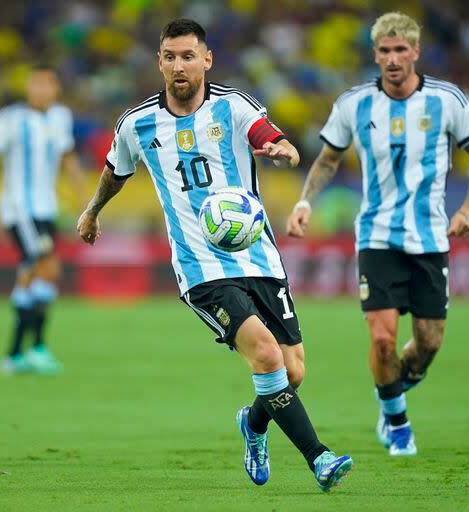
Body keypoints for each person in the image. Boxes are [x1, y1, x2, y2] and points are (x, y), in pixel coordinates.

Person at [77, 18, 352, 491]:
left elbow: (266, 133)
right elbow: (114, 171)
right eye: (170, 57)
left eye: (188, 56)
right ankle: (319, 458)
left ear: (206, 60)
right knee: (266, 356)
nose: (179, 66)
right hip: (199, 267)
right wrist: (92, 211)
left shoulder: (233, 106)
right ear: (159, 63)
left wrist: (280, 148)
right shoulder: (137, 124)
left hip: (258, 254)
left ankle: (255, 425)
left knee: (293, 370)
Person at [287, 12, 469, 456]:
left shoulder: (448, 101)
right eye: (385, 51)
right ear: (375, 54)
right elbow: (326, 160)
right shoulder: (354, 104)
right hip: (376, 236)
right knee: (382, 339)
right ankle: (397, 422)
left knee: (429, 342)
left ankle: (392, 391)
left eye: (401, 50)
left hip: (430, 237)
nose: (393, 59)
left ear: (415, 51)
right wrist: (305, 202)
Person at [0, 65, 86, 375]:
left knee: (32, 273)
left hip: (46, 208)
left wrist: (86, 203)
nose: (39, 90)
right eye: (34, 85)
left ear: (55, 89)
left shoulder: (60, 117)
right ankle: (35, 348)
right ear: (28, 88)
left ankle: (15, 355)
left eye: (45, 85)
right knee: (47, 266)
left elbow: (68, 159)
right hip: (20, 209)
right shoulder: (10, 119)